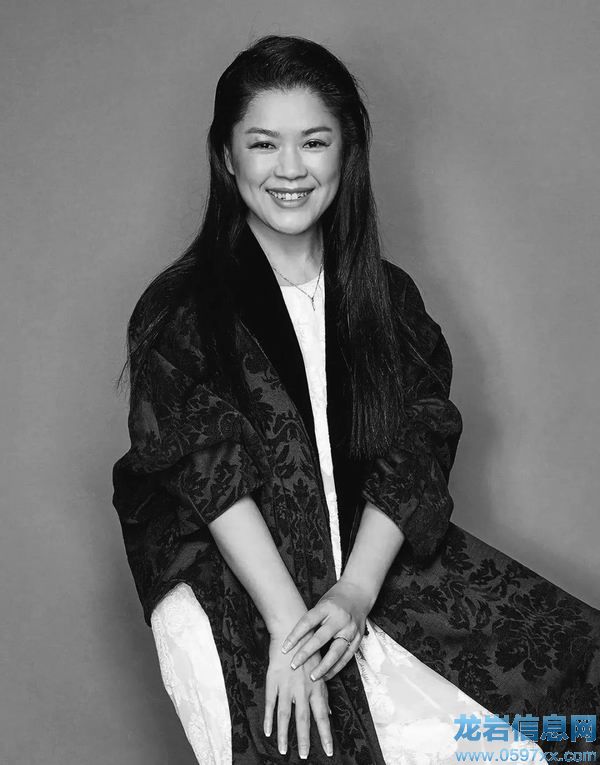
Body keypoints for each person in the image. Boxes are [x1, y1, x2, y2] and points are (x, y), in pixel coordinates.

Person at [112, 35, 600, 764]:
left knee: (565, 701)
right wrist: (292, 631)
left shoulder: (386, 298)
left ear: (347, 152)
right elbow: (208, 476)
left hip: (370, 572)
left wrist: (355, 591)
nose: (290, 169)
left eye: (314, 142)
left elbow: (416, 444)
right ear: (227, 156)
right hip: (241, 586)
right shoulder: (182, 310)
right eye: (263, 143)